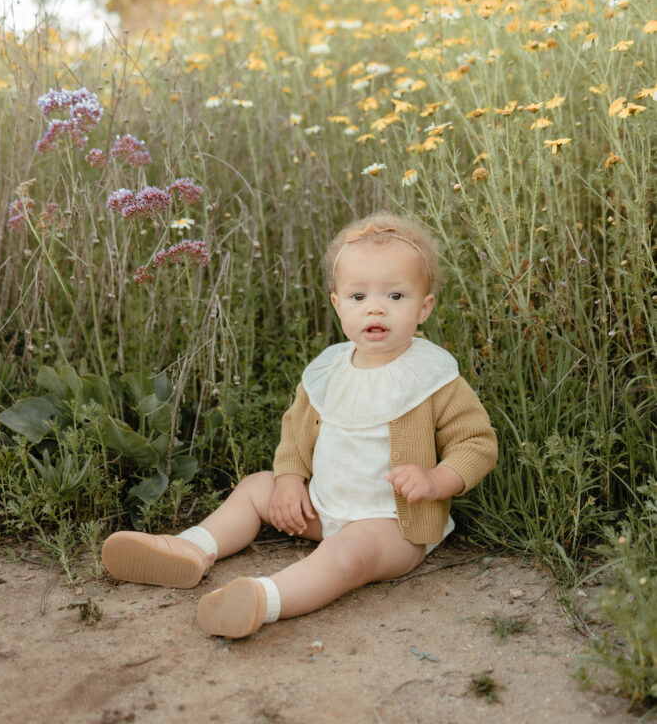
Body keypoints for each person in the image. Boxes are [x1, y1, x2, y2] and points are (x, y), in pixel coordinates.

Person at [102, 212, 498, 638]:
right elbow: (295, 433)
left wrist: (437, 480)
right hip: (322, 508)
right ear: (337, 304)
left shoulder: (434, 377)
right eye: (358, 296)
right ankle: (191, 547)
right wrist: (290, 481)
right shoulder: (328, 370)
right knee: (258, 486)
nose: (376, 307)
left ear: (424, 308)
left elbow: (476, 442)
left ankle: (263, 598)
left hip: (393, 526)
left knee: (349, 552)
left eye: (397, 296)